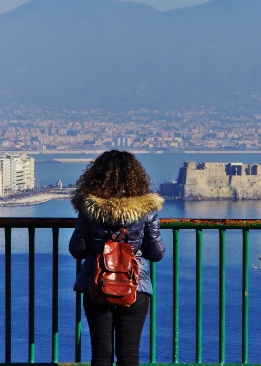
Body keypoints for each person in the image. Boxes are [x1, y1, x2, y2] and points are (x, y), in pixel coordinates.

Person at [69, 150, 166, 366]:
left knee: (101, 355)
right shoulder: (146, 210)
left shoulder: (90, 208)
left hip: (97, 284)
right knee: (129, 355)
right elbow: (156, 253)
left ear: (96, 175)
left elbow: (77, 249)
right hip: (135, 285)